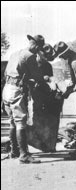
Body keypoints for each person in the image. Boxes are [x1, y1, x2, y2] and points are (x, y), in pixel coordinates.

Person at [2, 34, 47, 164]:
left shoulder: (15, 53)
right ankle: (24, 155)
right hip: (16, 90)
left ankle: (14, 151)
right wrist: (45, 82)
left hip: (7, 89)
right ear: (38, 46)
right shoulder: (30, 56)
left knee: (12, 122)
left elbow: (7, 73)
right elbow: (38, 77)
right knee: (20, 122)